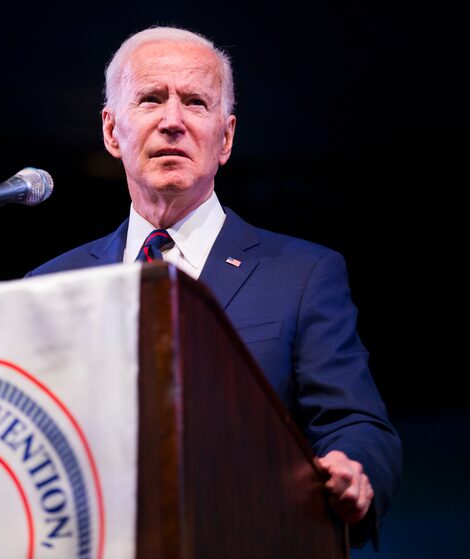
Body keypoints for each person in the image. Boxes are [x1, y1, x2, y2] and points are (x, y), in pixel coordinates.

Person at [27, 26, 401, 548]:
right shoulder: (48, 287)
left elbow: (357, 425)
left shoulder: (303, 275)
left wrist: (352, 469)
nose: (172, 122)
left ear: (224, 138)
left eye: (196, 103)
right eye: (151, 99)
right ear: (113, 132)